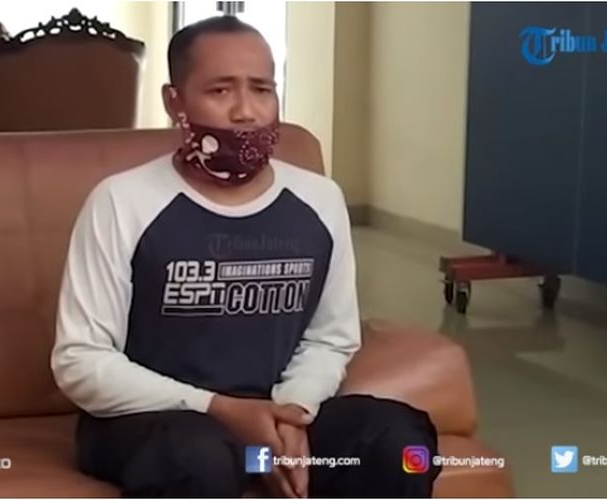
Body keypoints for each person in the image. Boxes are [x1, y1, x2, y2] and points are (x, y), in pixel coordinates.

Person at [51, 15, 440, 498]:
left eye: (262, 89)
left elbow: (331, 338)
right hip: (159, 421)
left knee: (395, 438)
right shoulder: (121, 201)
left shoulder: (319, 200)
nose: (246, 112)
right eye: (220, 91)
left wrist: (291, 416)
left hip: (277, 413)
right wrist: (221, 408)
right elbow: (80, 359)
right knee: (197, 459)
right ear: (175, 101)